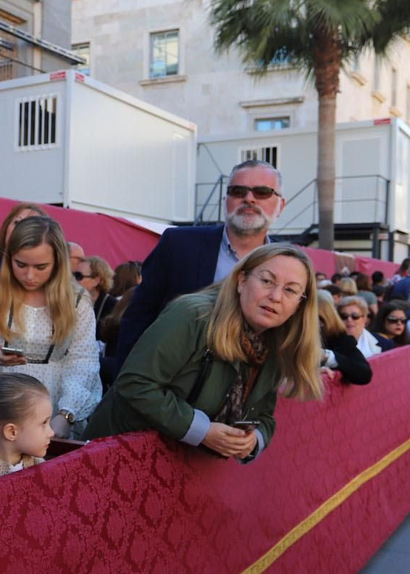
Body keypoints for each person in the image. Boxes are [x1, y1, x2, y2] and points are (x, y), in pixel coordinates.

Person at [87, 243, 322, 458]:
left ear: (299, 305)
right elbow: (135, 383)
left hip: (179, 465)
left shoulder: (277, 341)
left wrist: (251, 440)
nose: (275, 296)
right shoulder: (193, 316)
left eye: (290, 290)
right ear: (241, 281)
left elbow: (263, 415)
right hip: (117, 453)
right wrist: (202, 430)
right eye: (267, 281)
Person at [114, 160, 286, 373]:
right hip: (171, 384)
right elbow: (139, 315)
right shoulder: (178, 244)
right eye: (238, 191)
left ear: (281, 205)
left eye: (262, 192)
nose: (248, 198)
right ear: (226, 201)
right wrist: (126, 378)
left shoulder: (289, 262)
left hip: (249, 389)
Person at [0, 216, 101, 438]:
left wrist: (66, 414)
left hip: (54, 407)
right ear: (9, 259)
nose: (29, 275)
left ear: (58, 262)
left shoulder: (76, 300)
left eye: (40, 267)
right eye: (21, 264)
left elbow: (83, 359)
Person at [315, 291, 372, 385]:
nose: (349, 320)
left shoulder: (338, 339)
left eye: (355, 316)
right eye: (344, 316)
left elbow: (364, 374)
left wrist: (326, 356)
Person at [79, 255, 118, 342]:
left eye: (79, 276)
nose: (73, 280)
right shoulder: (69, 302)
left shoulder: (112, 306)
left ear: (96, 281)